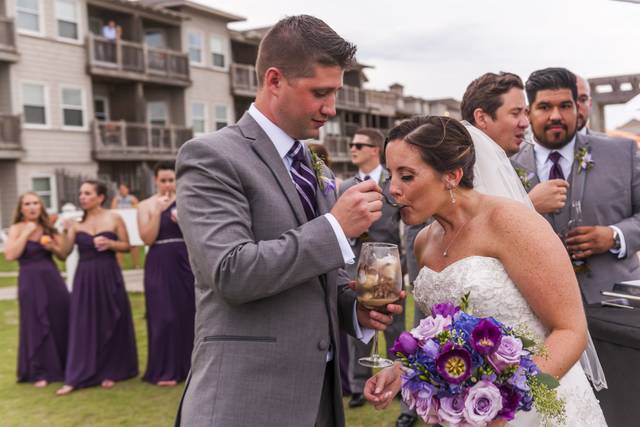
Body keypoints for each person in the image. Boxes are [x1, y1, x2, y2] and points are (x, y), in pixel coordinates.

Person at [174, 15, 403, 427]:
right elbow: (231, 272)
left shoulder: (310, 165)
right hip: (246, 402)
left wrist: (353, 309)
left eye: (334, 93)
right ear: (275, 80)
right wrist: (335, 227)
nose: (331, 109)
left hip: (318, 399)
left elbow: (314, 276)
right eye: (320, 93)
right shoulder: (211, 157)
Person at [364, 116, 607, 425]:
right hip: (466, 413)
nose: (392, 190)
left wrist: (506, 404)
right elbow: (444, 336)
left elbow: (570, 331)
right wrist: (404, 369)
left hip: (537, 408)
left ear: (451, 176)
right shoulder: (424, 243)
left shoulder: (511, 223)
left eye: (407, 176)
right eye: (390, 176)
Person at [462, 70, 607, 390]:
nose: (525, 122)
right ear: (482, 118)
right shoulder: (463, 174)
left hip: (556, 330)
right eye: (517, 112)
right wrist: (528, 205)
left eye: (525, 113)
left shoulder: (502, 163)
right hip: (500, 339)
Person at [512, 68, 640, 304]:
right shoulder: (508, 167)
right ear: (529, 113)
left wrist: (615, 236)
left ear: (577, 107)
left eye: (565, 106)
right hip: (540, 308)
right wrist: (528, 206)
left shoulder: (622, 153)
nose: (556, 116)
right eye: (544, 107)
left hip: (616, 301)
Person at [340, 128, 404, 409]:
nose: (352, 148)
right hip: (356, 262)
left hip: (388, 262)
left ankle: (396, 377)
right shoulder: (345, 187)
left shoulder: (392, 183)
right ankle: (356, 384)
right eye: (351, 144)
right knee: (358, 324)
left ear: (374, 150)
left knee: (392, 323)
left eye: (359, 144)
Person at [56, 180, 138, 395]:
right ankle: (77, 375)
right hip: (85, 278)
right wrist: (65, 232)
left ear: (100, 197)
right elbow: (63, 254)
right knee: (83, 323)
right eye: (81, 193)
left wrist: (111, 245)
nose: (82, 196)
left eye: (87, 193)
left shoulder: (114, 217)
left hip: (109, 274)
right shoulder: (76, 224)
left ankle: (112, 370)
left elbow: (128, 246)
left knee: (111, 318)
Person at [137, 161, 195, 386]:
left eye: (172, 180)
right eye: (163, 180)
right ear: (156, 181)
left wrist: (182, 219)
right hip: (159, 260)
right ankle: (165, 369)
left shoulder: (188, 200)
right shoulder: (145, 205)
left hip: (185, 259)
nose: (168, 185)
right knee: (164, 314)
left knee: (187, 311)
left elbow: (196, 235)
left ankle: (189, 368)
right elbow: (147, 239)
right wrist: (158, 213)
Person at [4, 192, 70, 387]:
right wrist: (27, 232)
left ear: (41, 207)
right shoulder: (16, 228)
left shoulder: (49, 228)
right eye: (27, 204)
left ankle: (64, 364)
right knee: (34, 322)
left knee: (60, 318)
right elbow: (10, 255)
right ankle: (39, 371)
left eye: (35, 203)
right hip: (29, 280)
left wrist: (53, 248)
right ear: (21, 208)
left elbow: (64, 255)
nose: (32, 207)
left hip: (52, 278)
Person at [111, 183, 141, 269]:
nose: (122, 190)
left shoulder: (132, 199)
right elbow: (113, 210)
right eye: (120, 189)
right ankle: (120, 266)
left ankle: (136, 265)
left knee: (134, 244)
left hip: (131, 225)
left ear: (128, 189)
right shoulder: (116, 199)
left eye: (124, 188)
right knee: (119, 244)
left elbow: (137, 209)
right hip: (120, 225)